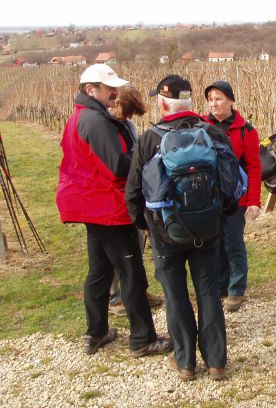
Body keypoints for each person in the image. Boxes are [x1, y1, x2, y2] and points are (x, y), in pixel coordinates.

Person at [55, 64, 172, 357]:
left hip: (90, 205)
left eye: (114, 87)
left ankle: (96, 333)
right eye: (108, 88)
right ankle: (142, 339)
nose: (114, 92)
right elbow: (118, 165)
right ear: (89, 90)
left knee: (99, 270)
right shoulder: (95, 121)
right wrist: (142, 153)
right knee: (131, 271)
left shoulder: (82, 117)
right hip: (106, 206)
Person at [125, 75, 231, 381]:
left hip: (165, 233)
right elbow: (230, 185)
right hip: (208, 230)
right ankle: (216, 362)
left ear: (162, 102)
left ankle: (185, 363)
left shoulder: (148, 139)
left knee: (175, 295)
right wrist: (219, 218)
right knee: (209, 292)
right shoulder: (211, 133)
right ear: (190, 102)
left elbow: (133, 192)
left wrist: (145, 226)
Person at [204, 80, 261, 312]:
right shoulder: (200, 126)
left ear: (230, 101)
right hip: (208, 197)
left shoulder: (245, 130)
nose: (213, 104)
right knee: (214, 242)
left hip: (236, 197)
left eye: (218, 99)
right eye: (210, 99)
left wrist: (254, 201)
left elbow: (254, 167)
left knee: (233, 242)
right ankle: (220, 285)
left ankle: (236, 289)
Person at [107, 86, 163, 315]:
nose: (129, 117)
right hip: (112, 197)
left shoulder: (127, 125)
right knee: (117, 251)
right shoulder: (106, 127)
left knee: (136, 244)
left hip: (131, 192)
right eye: (126, 111)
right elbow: (117, 163)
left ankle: (138, 289)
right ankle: (116, 296)